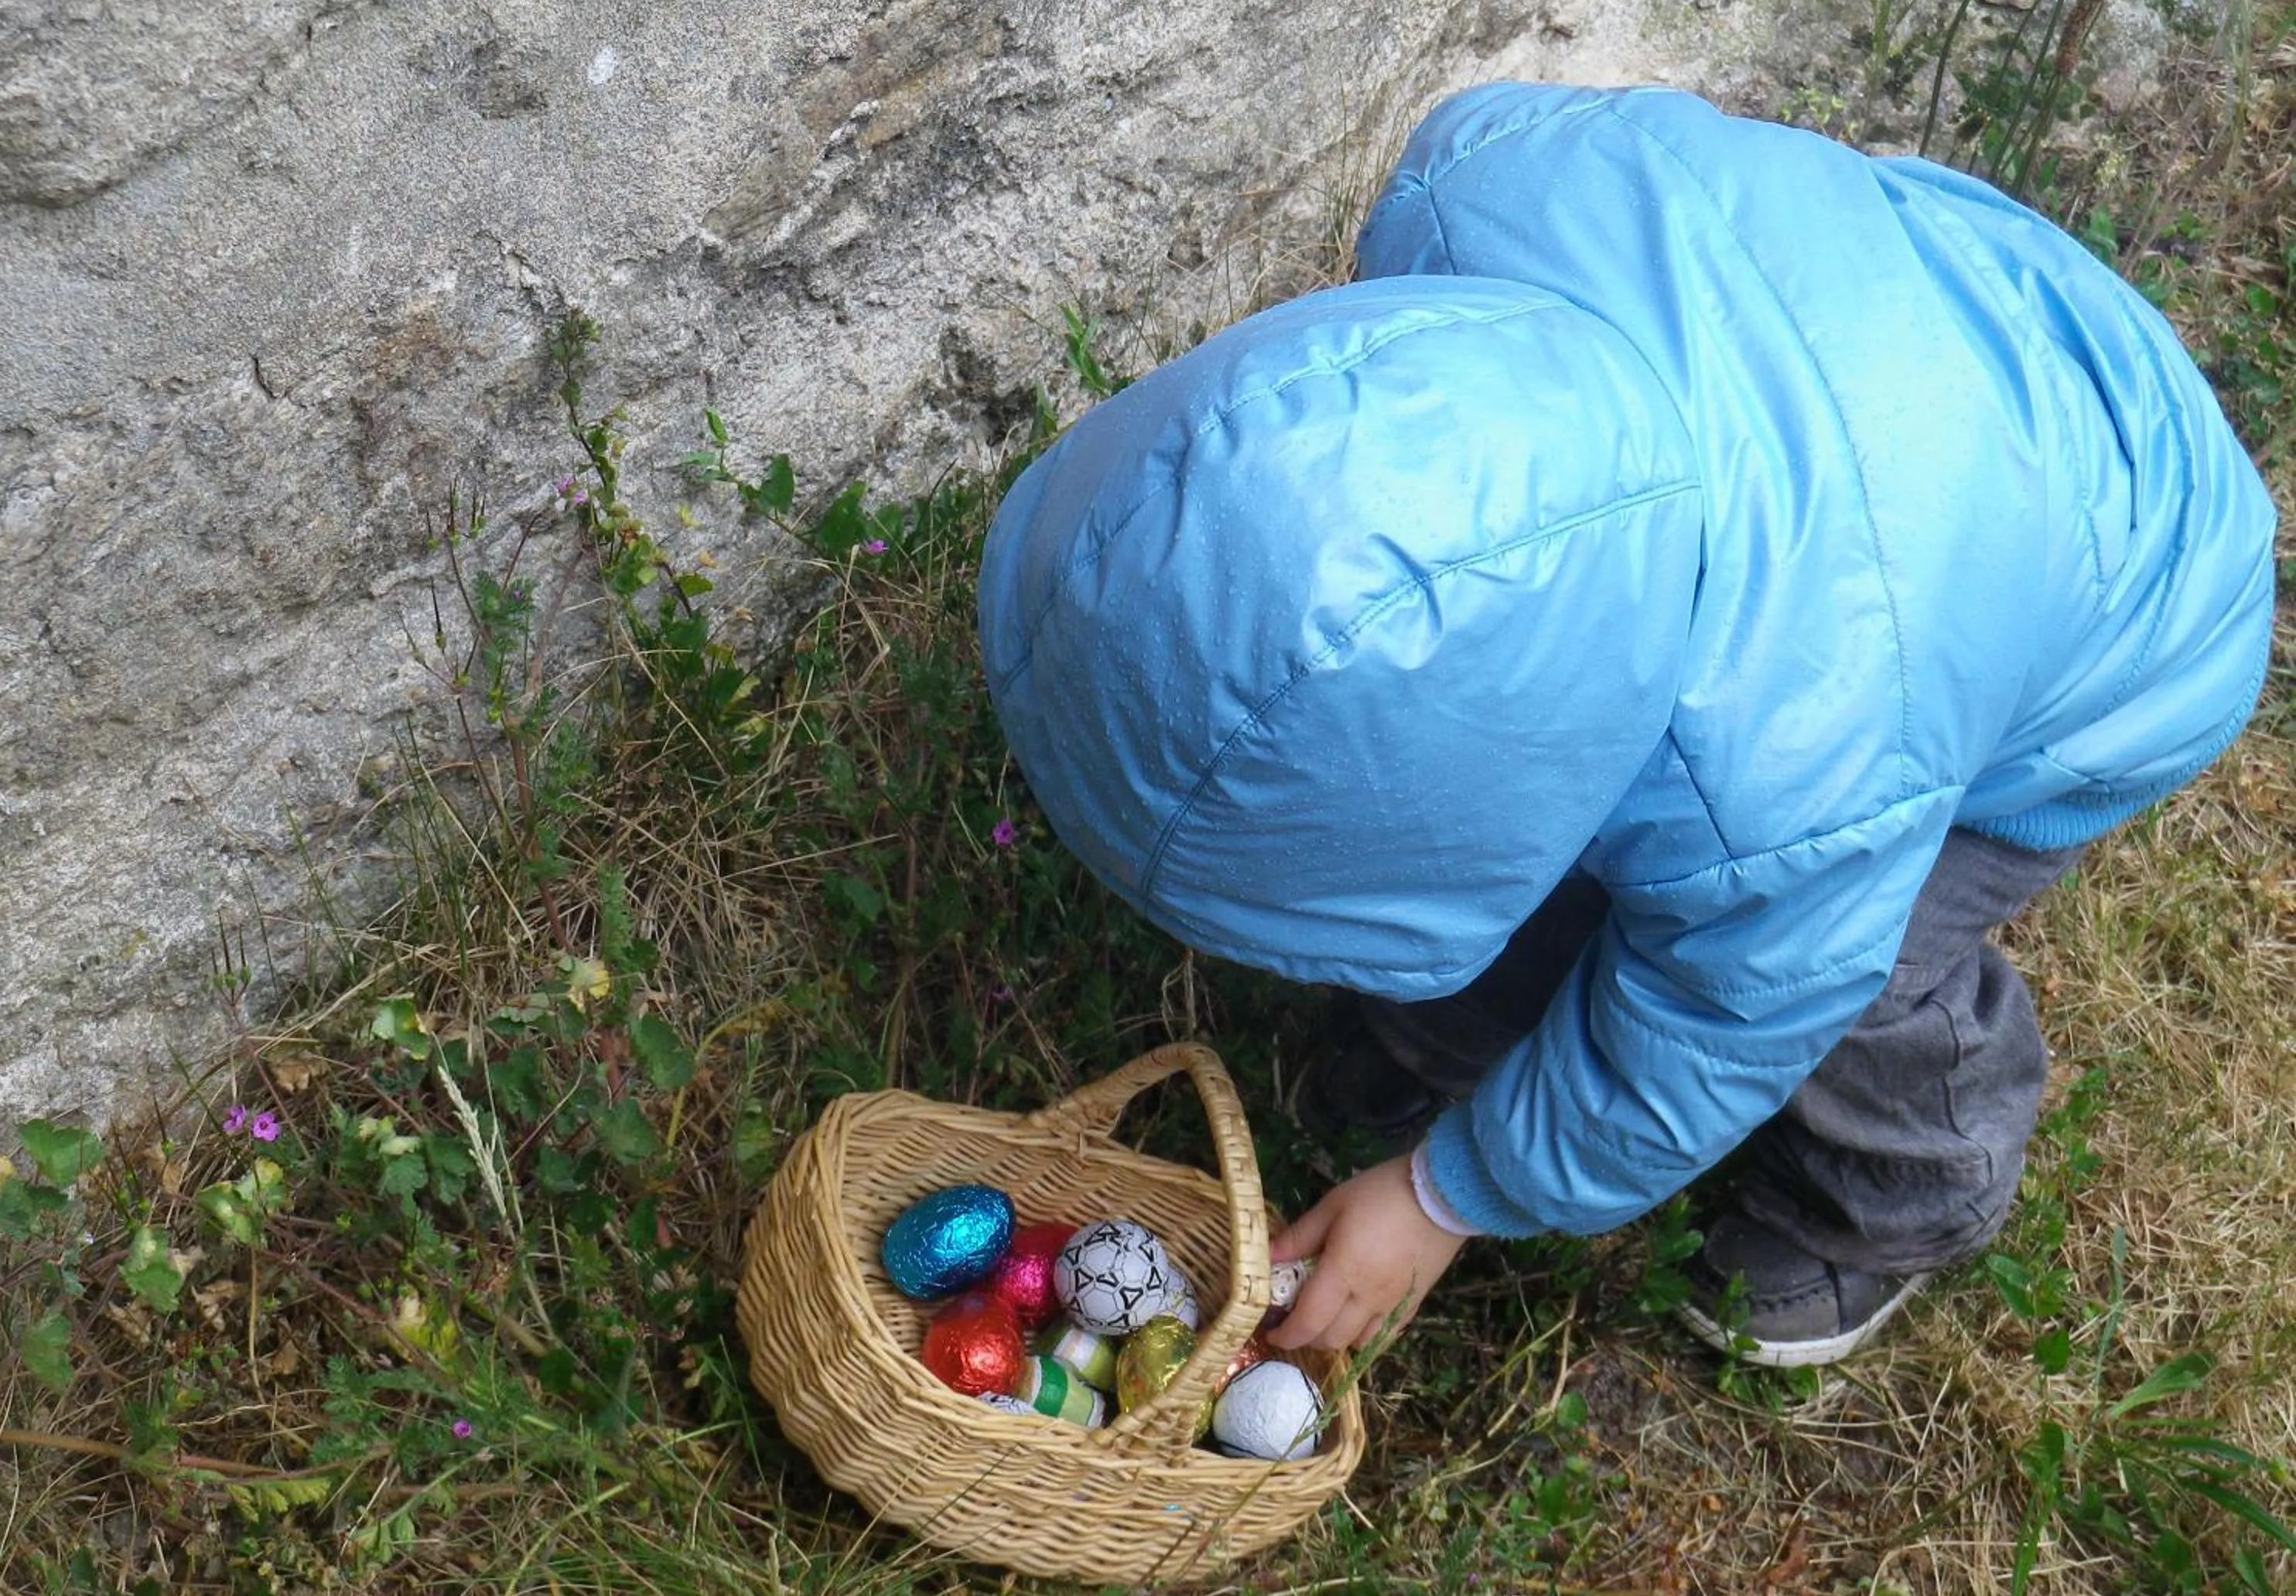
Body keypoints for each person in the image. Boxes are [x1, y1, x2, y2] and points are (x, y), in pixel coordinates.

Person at [975, 84, 2279, 1368]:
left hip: (2133, 597)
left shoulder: (1802, 774)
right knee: (1600, 836)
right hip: (1923, 335)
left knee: (1856, 967)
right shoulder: (1465, 198)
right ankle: (1466, 1020)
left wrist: (1449, 1194)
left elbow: (1725, 1014)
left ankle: (1900, 1192)